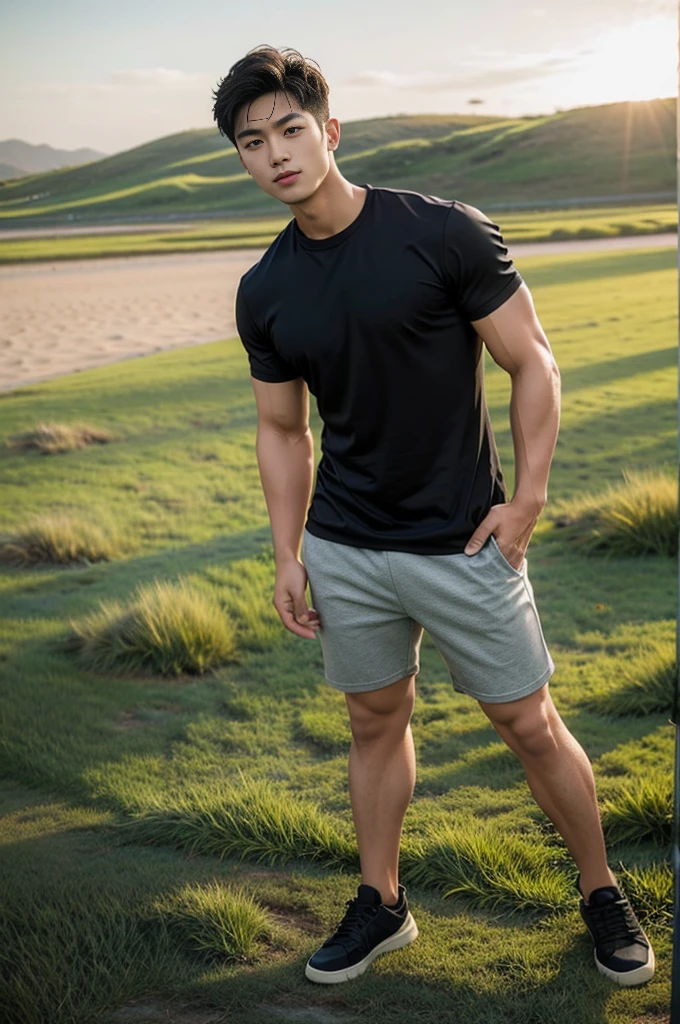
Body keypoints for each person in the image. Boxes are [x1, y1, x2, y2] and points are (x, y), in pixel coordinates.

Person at [212, 43, 655, 988]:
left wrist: (526, 499)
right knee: (374, 721)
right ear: (242, 159)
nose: (277, 153)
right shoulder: (266, 289)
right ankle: (383, 903)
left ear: (329, 131)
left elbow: (532, 360)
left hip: (463, 539)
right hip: (345, 547)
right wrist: (288, 552)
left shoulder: (442, 232)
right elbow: (281, 430)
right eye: (254, 142)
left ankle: (601, 889)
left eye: (291, 129)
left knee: (528, 723)